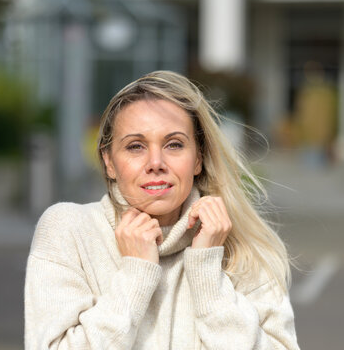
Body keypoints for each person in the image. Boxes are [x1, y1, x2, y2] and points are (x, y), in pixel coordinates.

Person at [24, 71, 300, 349]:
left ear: (197, 159)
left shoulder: (246, 250)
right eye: (135, 146)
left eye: (174, 144)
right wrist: (136, 275)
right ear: (109, 162)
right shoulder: (68, 230)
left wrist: (207, 273)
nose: (156, 162)